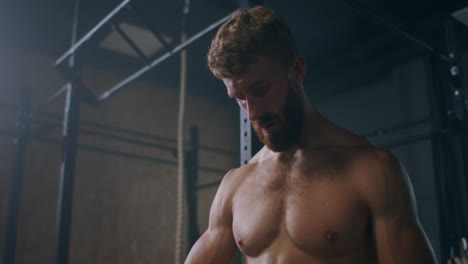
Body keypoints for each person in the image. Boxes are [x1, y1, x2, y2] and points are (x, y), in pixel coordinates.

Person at [185, 5, 436, 264]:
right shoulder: (235, 185)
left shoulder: (373, 170)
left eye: (260, 89)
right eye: (239, 98)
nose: (252, 113)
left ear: (296, 71)